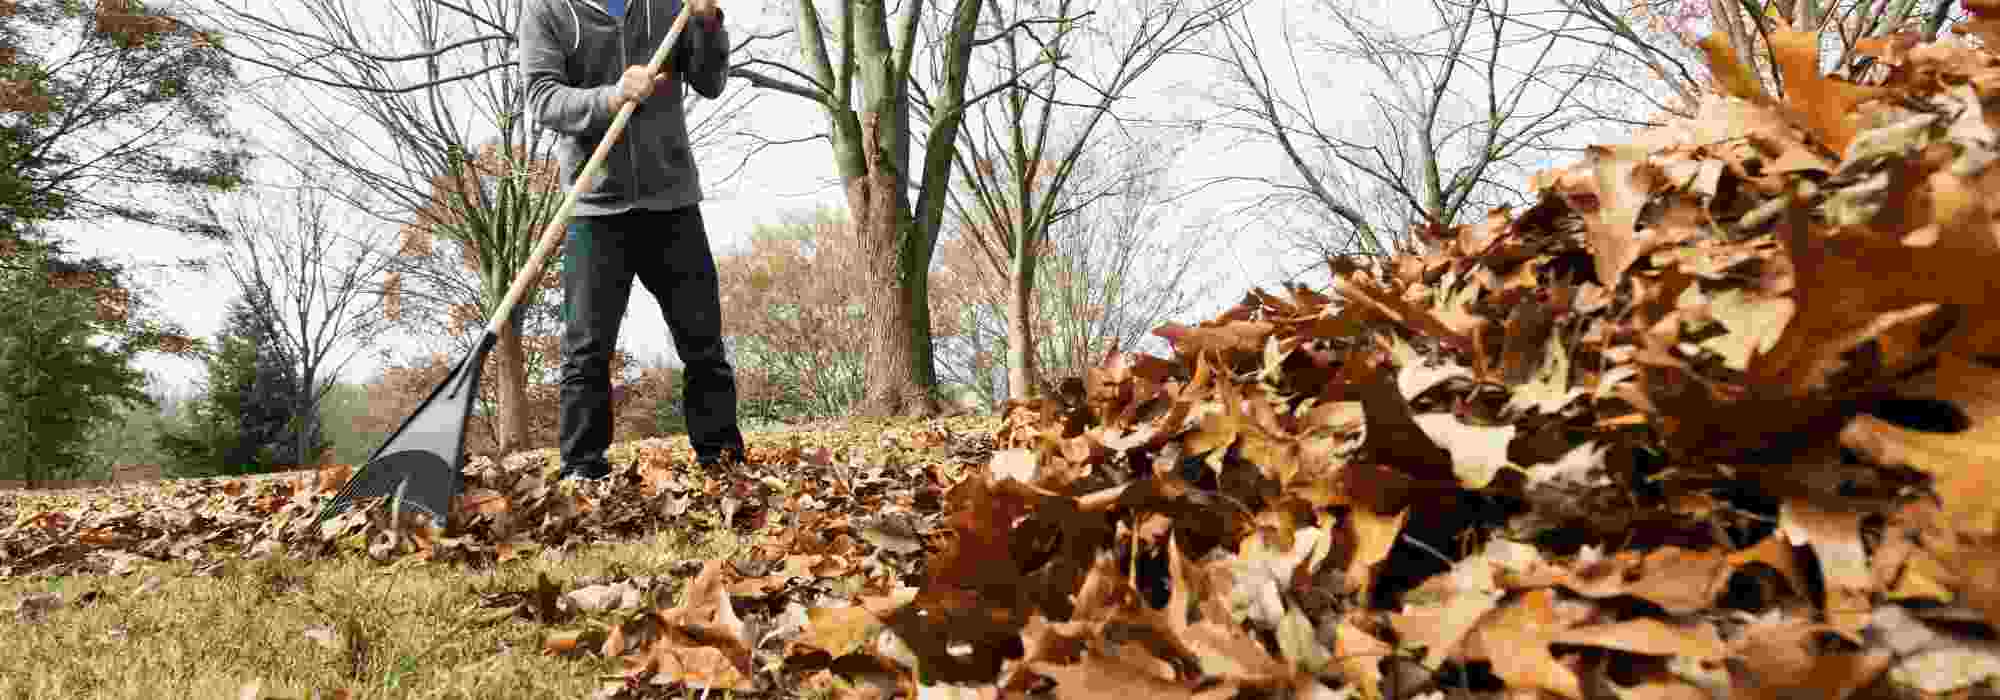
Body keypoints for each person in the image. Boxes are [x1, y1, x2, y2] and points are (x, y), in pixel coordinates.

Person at [519, 0, 746, 479]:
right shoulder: (549, 11)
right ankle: (583, 468)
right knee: (586, 351)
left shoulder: (668, 5)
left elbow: (710, 82)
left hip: (673, 201)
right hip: (596, 206)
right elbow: (542, 98)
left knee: (703, 344)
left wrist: (707, 22)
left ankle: (722, 460)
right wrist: (610, 97)